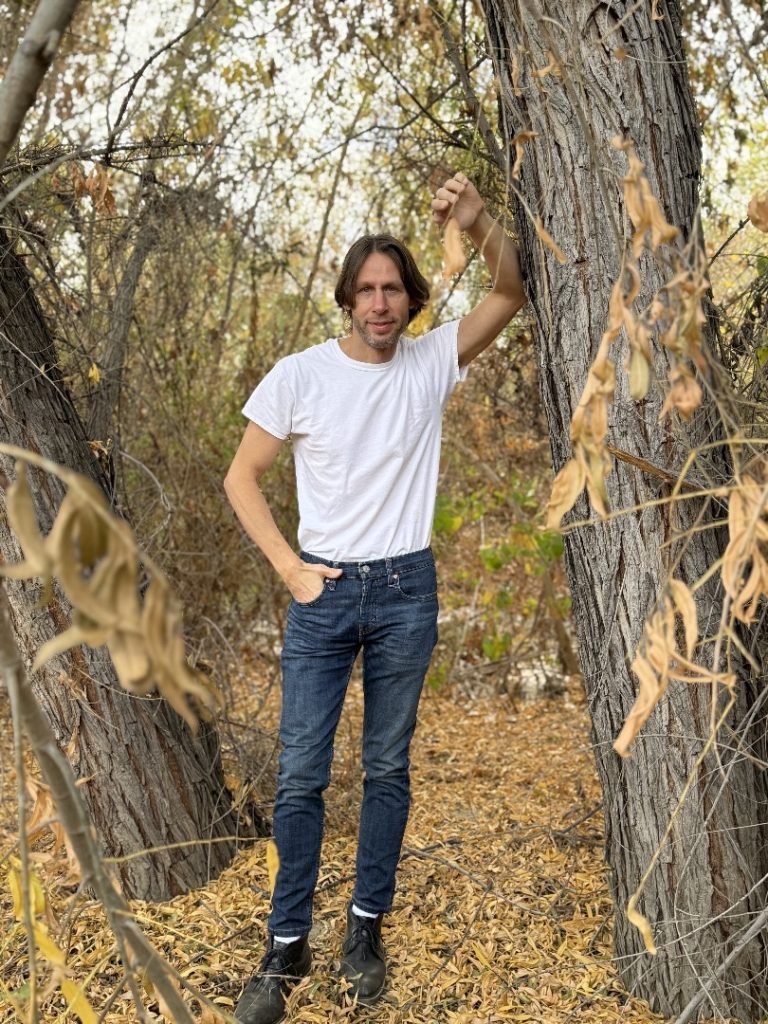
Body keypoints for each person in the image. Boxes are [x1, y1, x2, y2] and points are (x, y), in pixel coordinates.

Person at [224, 173, 525, 1023]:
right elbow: (241, 477)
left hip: (404, 591)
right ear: (348, 298)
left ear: (411, 298)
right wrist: (290, 568)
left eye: (394, 289)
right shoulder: (300, 375)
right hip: (320, 591)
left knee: (387, 767)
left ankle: (364, 930)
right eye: (367, 289)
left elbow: (510, 289)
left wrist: (476, 218)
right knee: (300, 776)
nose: (381, 303)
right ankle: (286, 946)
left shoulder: (431, 363)